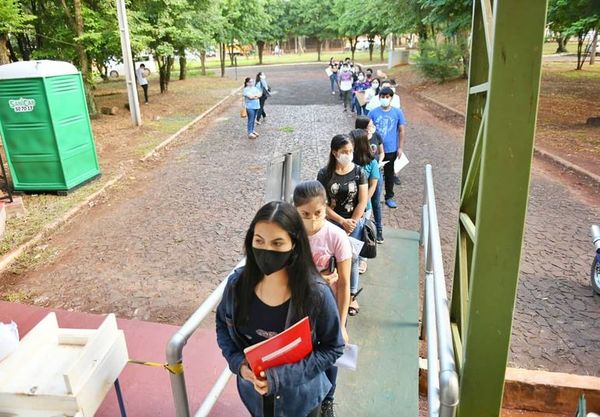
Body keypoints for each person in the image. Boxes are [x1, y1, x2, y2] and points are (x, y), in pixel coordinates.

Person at [216, 201, 344, 417]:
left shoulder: (316, 294)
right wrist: (239, 365)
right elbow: (222, 326)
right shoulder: (237, 286)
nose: (266, 250)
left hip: (301, 400)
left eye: (277, 243)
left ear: (294, 244)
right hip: (253, 397)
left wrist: (280, 377)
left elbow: (333, 347)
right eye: (259, 241)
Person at [293, 181, 352, 417]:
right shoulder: (291, 235)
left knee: (330, 354)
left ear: (325, 208)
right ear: (295, 211)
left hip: (328, 309)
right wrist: (317, 279)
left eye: (318, 213)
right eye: (305, 214)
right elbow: (285, 272)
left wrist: (341, 323)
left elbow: (345, 282)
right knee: (302, 354)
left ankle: (328, 399)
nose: (313, 220)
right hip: (299, 308)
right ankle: (306, 397)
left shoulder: (336, 236)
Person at [317, 134, 368, 316]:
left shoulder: (359, 172)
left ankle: (351, 296)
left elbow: (362, 200)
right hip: (332, 222)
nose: (348, 154)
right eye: (344, 152)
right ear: (334, 152)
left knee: (351, 259)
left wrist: (352, 222)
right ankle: (330, 293)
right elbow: (321, 203)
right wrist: (341, 221)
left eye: (350, 151)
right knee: (330, 259)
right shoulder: (324, 174)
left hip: (353, 223)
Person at [368, 87, 406, 209]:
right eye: (382, 97)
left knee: (389, 174)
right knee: (373, 174)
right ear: (379, 98)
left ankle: (389, 196)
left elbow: (401, 130)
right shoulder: (373, 113)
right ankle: (372, 197)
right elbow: (366, 130)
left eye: (387, 97)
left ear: (391, 98)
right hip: (375, 150)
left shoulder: (397, 112)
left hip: (391, 149)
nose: (385, 99)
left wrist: (400, 147)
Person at [349, 129, 380, 274]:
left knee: (362, 233)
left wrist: (364, 200)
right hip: (348, 203)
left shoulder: (371, 163)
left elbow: (373, 184)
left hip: (364, 205)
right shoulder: (349, 161)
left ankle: (362, 259)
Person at [356, 116, 385, 243]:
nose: (372, 128)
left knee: (375, 202)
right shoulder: (357, 139)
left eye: (372, 125)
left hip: (375, 171)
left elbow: (382, 152)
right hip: (364, 176)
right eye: (369, 126)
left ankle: (378, 231)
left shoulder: (376, 136)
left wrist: (379, 162)